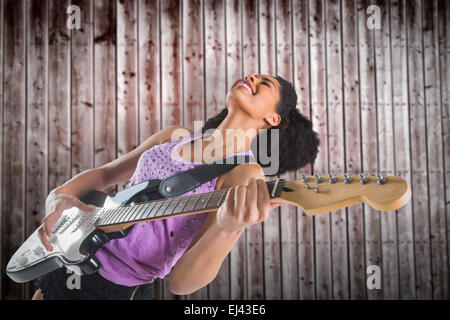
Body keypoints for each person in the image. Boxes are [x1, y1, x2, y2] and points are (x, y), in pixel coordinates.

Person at [32, 73, 319, 300]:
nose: (252, 78)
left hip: (116, 288)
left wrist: (228, 228)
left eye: (265, 82)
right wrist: (60, 198)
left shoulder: (245, 173)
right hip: (73, 253)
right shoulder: (173, 136)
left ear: (273, 118)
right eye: (252, 75)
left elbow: (182, 282)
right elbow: (105, 174)